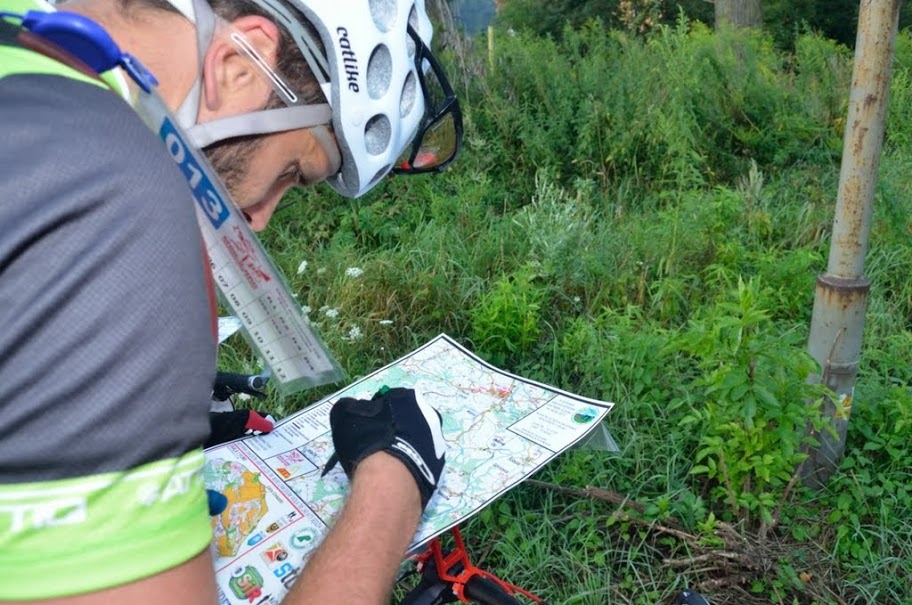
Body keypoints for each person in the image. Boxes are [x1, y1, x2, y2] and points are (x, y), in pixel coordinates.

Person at [0, 0, 461, 601]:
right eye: (293, 172)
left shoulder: (21, 43)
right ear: (240, 65)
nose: (262, 218)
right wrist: (394, 480)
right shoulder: (122, 205)